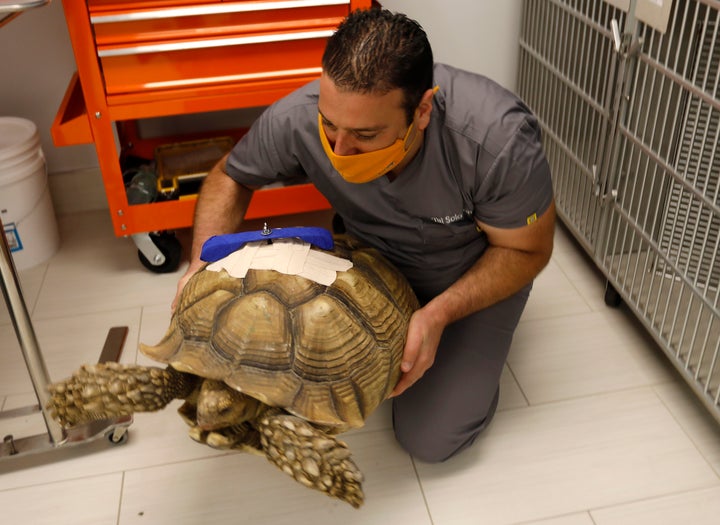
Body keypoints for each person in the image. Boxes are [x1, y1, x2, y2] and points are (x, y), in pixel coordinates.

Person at [174, 8, 555, 463]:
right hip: (367, 264)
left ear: (423, 111)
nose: (338, 150)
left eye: (365, 134)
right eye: (329, 126)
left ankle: (481, 359)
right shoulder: (300, 115)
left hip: (467, 275)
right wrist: (199, 263)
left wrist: (440, 315)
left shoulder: (496, 140)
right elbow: (230, 176)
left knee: (430, 439)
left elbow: (526, 249)